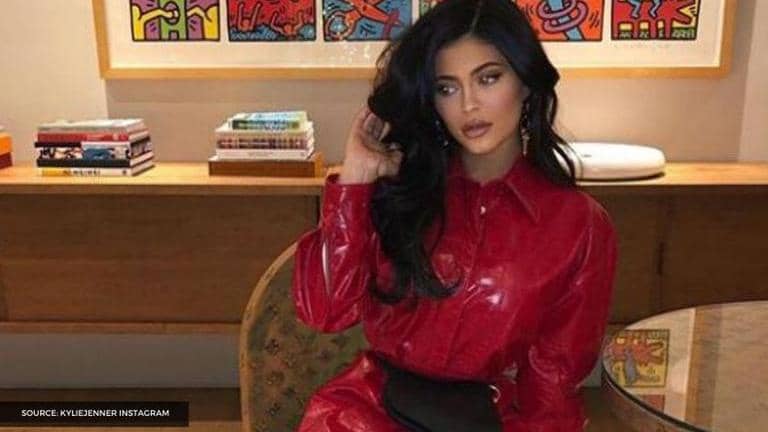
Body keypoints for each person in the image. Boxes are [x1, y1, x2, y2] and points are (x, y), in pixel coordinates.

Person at [291, 0, 618, 430]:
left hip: (490, 419)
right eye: (447, 88)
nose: (468, 105)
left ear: (525, 82)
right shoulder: (399, 190)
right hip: (367, 414)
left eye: (488, 78)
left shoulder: (578, 225)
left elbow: (552, 380)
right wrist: (355, 180)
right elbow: (325, 311)